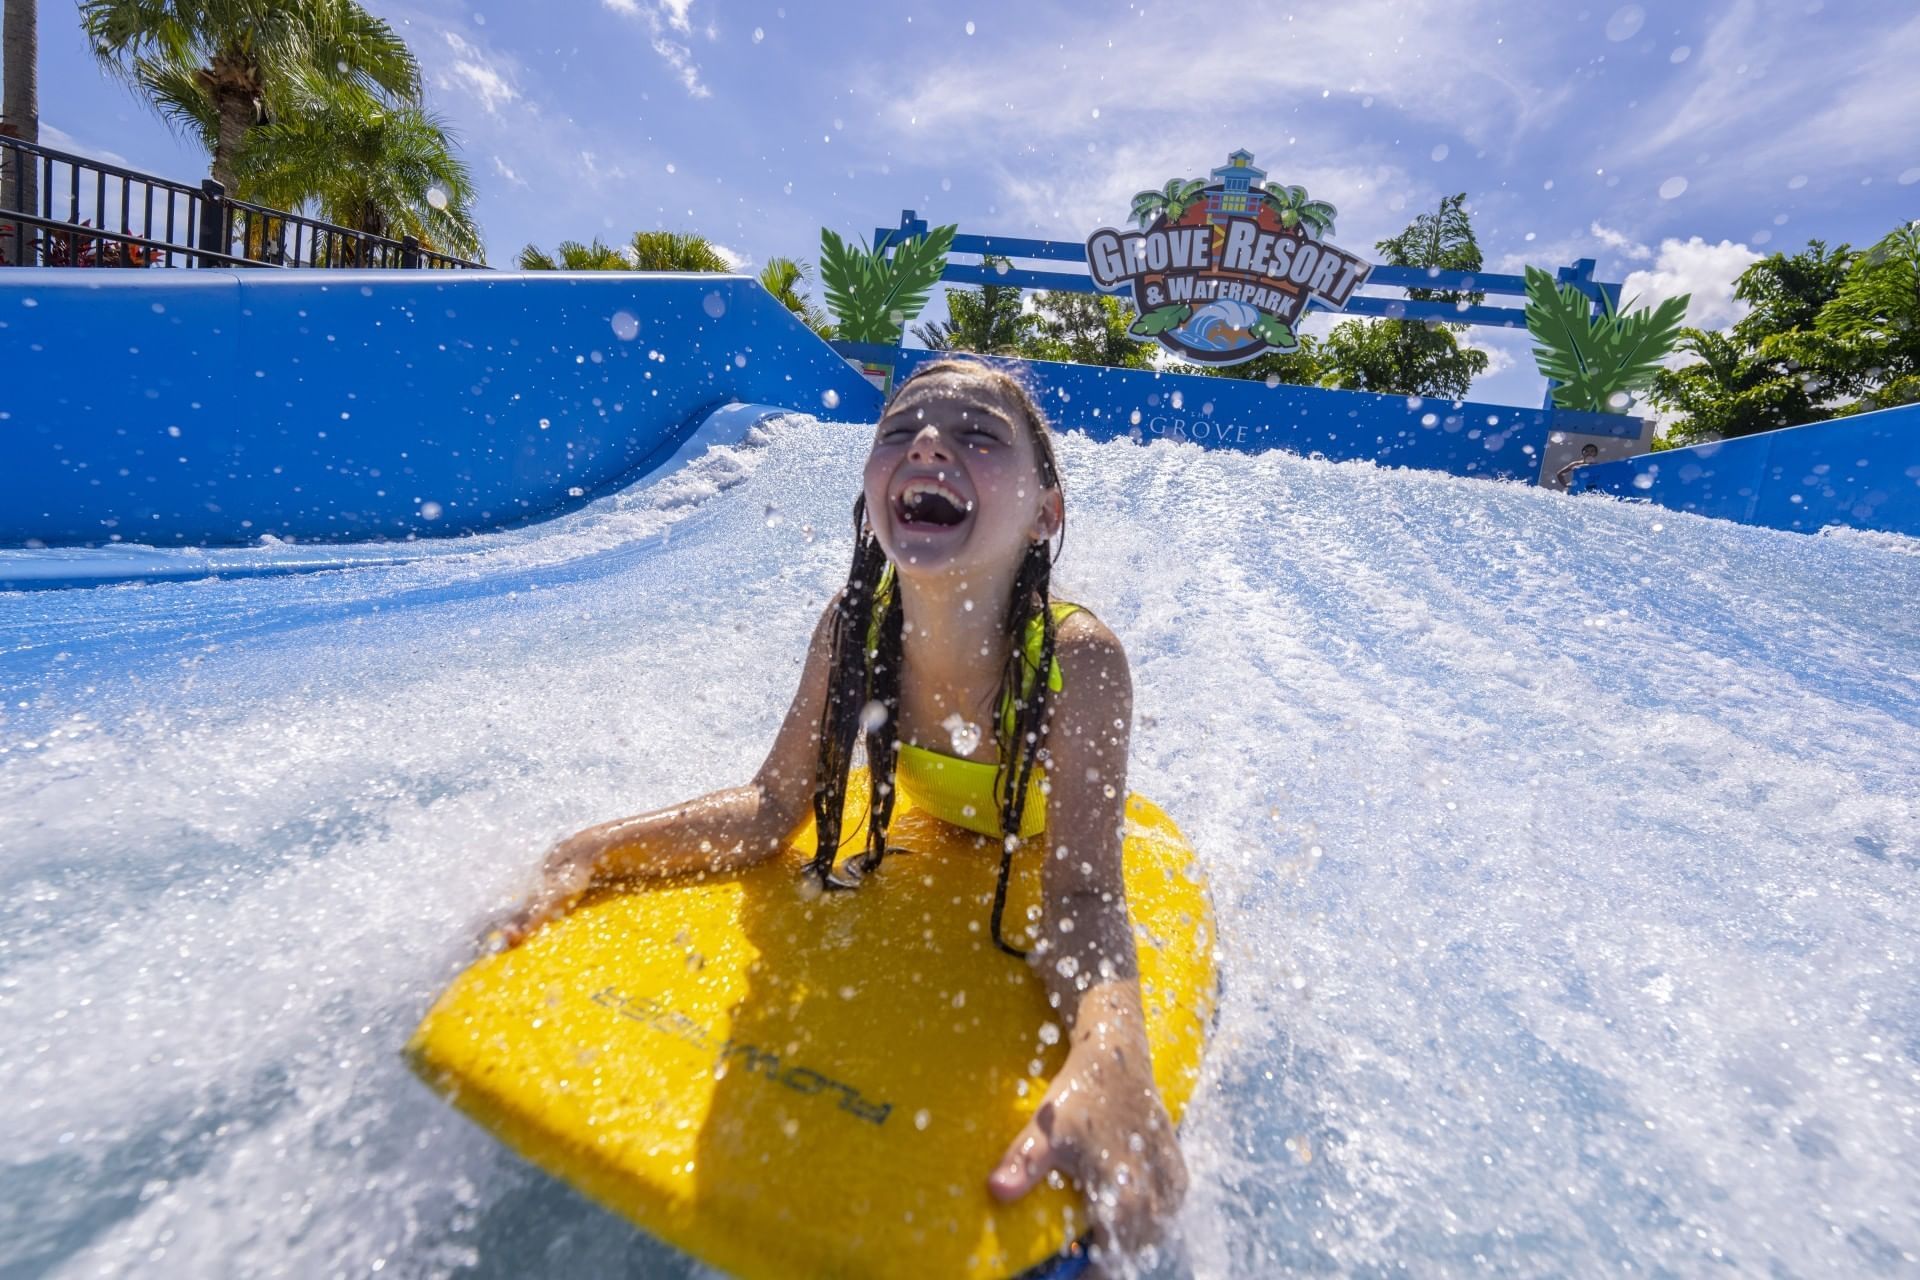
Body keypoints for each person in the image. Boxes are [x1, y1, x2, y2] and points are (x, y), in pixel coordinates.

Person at [494, 357, 1187, 1269]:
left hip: (1046, 832)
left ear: (1045, 514)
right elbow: (772, 805)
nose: (928, 442)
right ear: (874, 485)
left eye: (977, 435)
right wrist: (592, 849)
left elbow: (1085, 895)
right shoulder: (854, 625)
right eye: (899, 431)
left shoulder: (1080, 662)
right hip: (940, 825)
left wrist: (1113, 1055)